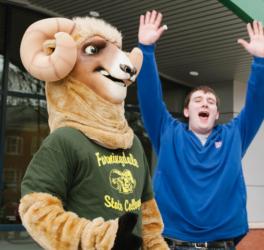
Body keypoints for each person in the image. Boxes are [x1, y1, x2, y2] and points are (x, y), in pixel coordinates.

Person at [137, 10, 264, 250]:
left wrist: (260, 62)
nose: (205, 103)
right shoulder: (168, 132)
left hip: (221, 244)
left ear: (216, 114)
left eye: (211, 101)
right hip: (171, 243)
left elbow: (257, 104)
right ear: (186, 112)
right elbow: (150, 97)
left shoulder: (233, 136)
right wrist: (146, 49)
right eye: (197, 100)